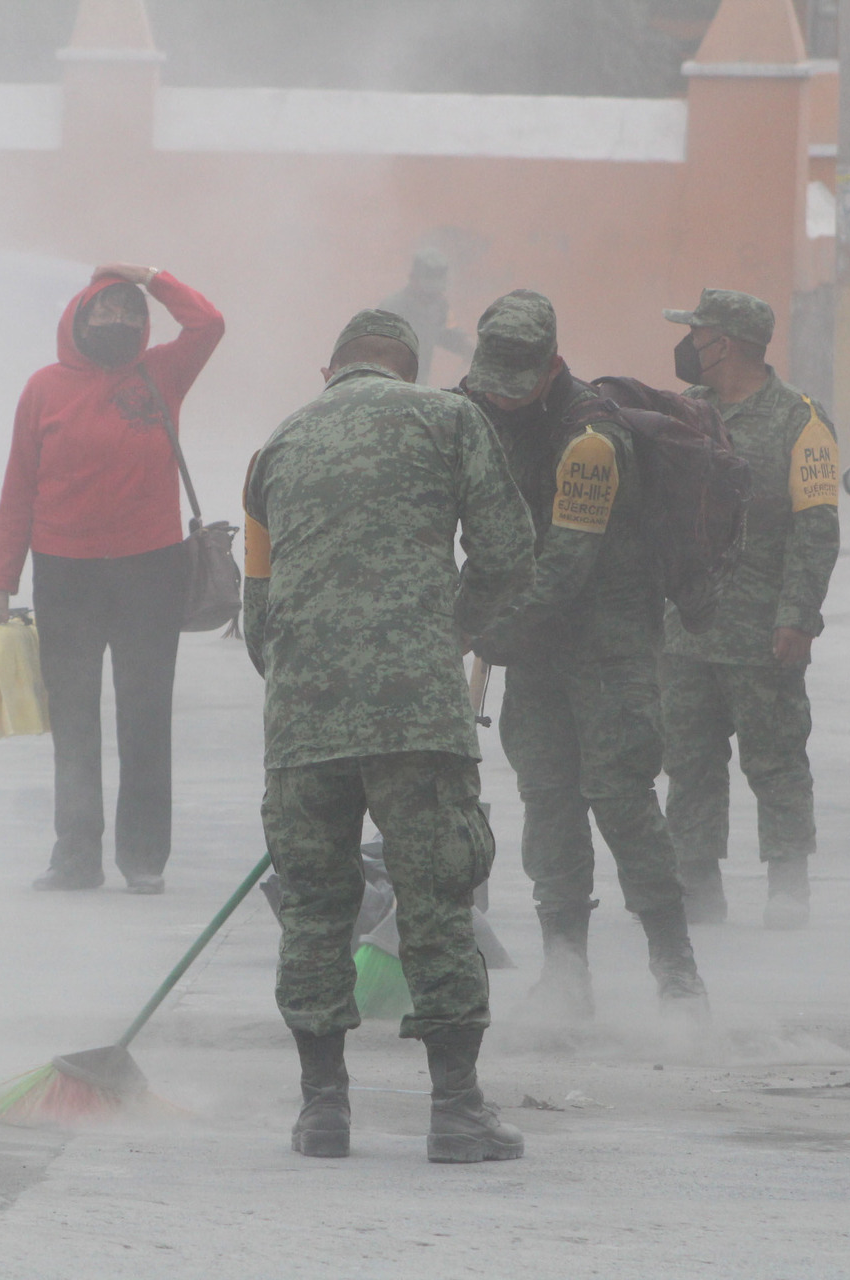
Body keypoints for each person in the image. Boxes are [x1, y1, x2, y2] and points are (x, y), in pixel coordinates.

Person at [242, 309, 531, 1163]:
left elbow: (258, 615)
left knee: (315, 909)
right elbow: (510, 552)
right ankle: (455, 1112)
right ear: (407, 367)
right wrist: (451, 631)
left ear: (328, 368)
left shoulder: (276, 447)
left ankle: (323, 1110)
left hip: (303, 718)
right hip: (415, 715)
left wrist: (307, 686)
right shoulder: (448, 418)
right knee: (436, 901)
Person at [459, 291, 708, 1024]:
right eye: (490, 381)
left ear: (552, 369)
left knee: (623, 801)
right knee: (548, 802)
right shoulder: (481, 407)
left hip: (609, 649)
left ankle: (678, 978)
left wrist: (483, 632)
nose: (500, 397)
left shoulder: (593, 441)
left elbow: (565, 570)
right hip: (535, 650)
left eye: (516, 383)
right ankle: (567, 977)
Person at [0, 263, 224, 894]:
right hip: (65, 574)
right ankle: (75, 854)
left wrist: (151, 277)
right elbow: (18, 490)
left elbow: (209, 322)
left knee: (145, 716)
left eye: (130, 314)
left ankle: (144, 859)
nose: (119, 322)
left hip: (151, 569)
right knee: (74, 718)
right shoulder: (43, 389)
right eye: (105, 312)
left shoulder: (162, 373)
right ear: (78, 319)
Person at [659, 289, 839, 930]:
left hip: (763, 632)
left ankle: (788, 886)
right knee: (689, 765)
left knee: (777, 759)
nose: (686, 344)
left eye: (696, 331)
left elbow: (815, 529)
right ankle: (697, 886)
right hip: (685, 633)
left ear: (724, 344)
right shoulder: (681, 413)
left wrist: (797, 616)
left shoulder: (801, 421)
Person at [379, 249, 474, 383]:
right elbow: (377, 350)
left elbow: (446, 332)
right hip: (389, 383)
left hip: (419, 383)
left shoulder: (439, 306)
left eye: (438, 285)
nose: (434, 293)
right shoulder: (392, 308)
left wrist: (467, 345)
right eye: (429, 284)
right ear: (413, 279)